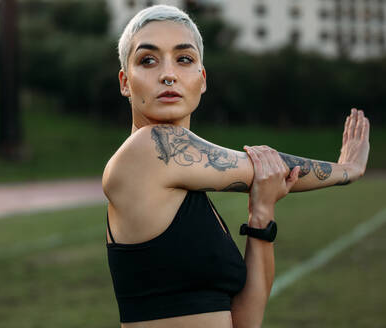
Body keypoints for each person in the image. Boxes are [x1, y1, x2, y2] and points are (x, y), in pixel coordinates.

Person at [102, 5, 370, 328]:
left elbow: (245, 321)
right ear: (125, 82)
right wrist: (347, 169)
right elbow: (263, 167)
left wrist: (261, 215)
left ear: (202, 80)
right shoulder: (146, 150)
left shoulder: (190, 190)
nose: (167, 73)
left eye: (183, 58)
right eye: (148, 60)